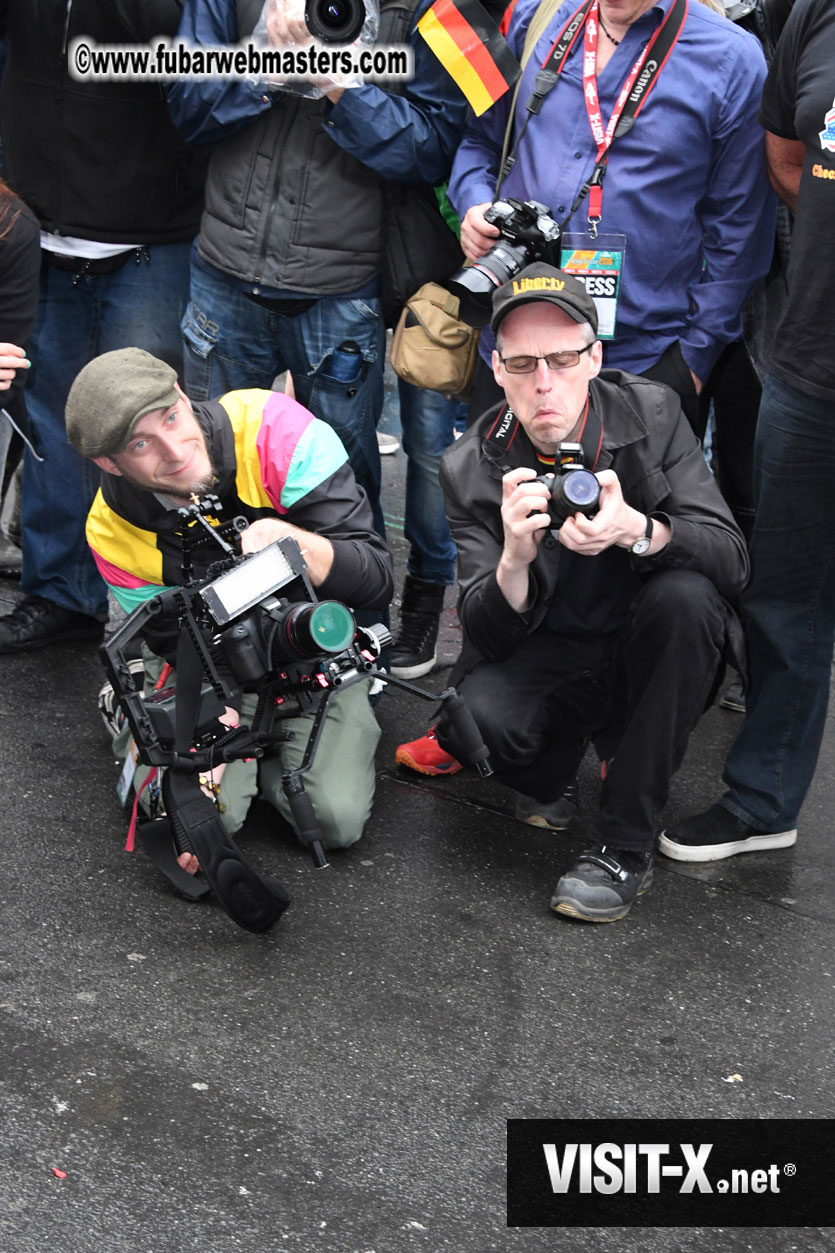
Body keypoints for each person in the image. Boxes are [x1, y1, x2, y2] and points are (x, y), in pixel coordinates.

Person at [427, 263, 748, 921]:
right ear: (495, 368)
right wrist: (514, 558)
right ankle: (561, 767)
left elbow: (732, 559)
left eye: (562, 358)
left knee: (686, 598)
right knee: (473, 724)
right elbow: (483, 637)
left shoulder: (652, 413)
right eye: (521, 364)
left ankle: (622, 845)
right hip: (552, 652)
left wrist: (640, 529)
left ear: (594, 356)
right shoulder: (469, 464)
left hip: (645, 643)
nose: (543, 382)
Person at [65, 348, 394, 858]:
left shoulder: (273, 427)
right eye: (141, 443)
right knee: (201, 818)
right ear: (109, 462)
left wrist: (295, 543)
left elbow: (374, 580)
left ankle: (269, 755)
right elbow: (174, 641)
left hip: (307, 641)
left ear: (181, 393)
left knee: (334, 820)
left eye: (172, 417)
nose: (175, 451)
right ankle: (131, 706)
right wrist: (218, 723)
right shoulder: (109, 528)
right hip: (200, 656)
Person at [659, 0, 835, 864]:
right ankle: (763, 797)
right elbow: (785, 159)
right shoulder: (812, 14)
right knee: (784, 595)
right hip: (811, 359)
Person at [448, 0, 777, 429]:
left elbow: (741, 234)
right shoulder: (533, 18)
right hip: (516, 351)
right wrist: (476, 206)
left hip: (641, 367)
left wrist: (691, 364)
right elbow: (479, 140)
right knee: (502, 496)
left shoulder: (733, 59)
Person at [0, 0, 205, 654]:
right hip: (41, 231)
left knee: (149, 425)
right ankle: (61, 592)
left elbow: (170, 38)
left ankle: (171, 607)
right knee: (53, 422)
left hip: (148, 235)